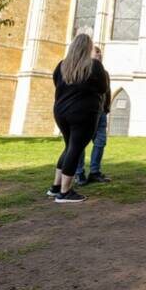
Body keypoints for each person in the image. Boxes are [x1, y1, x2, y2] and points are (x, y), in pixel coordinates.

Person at [46, 33, 108, 203]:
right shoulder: (94, 66)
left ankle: (56, 186)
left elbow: (57, 83)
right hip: (83, 113)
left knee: (69, 147)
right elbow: (103, 88)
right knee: (75, 149)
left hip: (61, 112)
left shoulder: (62, 66)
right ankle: (65, 192)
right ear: (88, 48)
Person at [75, 46, 112, 185]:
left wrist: (106, 108)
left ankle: (95, 172)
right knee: (80, 143)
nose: (99, 55)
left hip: (100, 113)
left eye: (99, 53)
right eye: (96, 53)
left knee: (100, 142)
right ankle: (79, 174)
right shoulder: (83, 71)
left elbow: (107, 92)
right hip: (86, 113)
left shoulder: (105, 73)